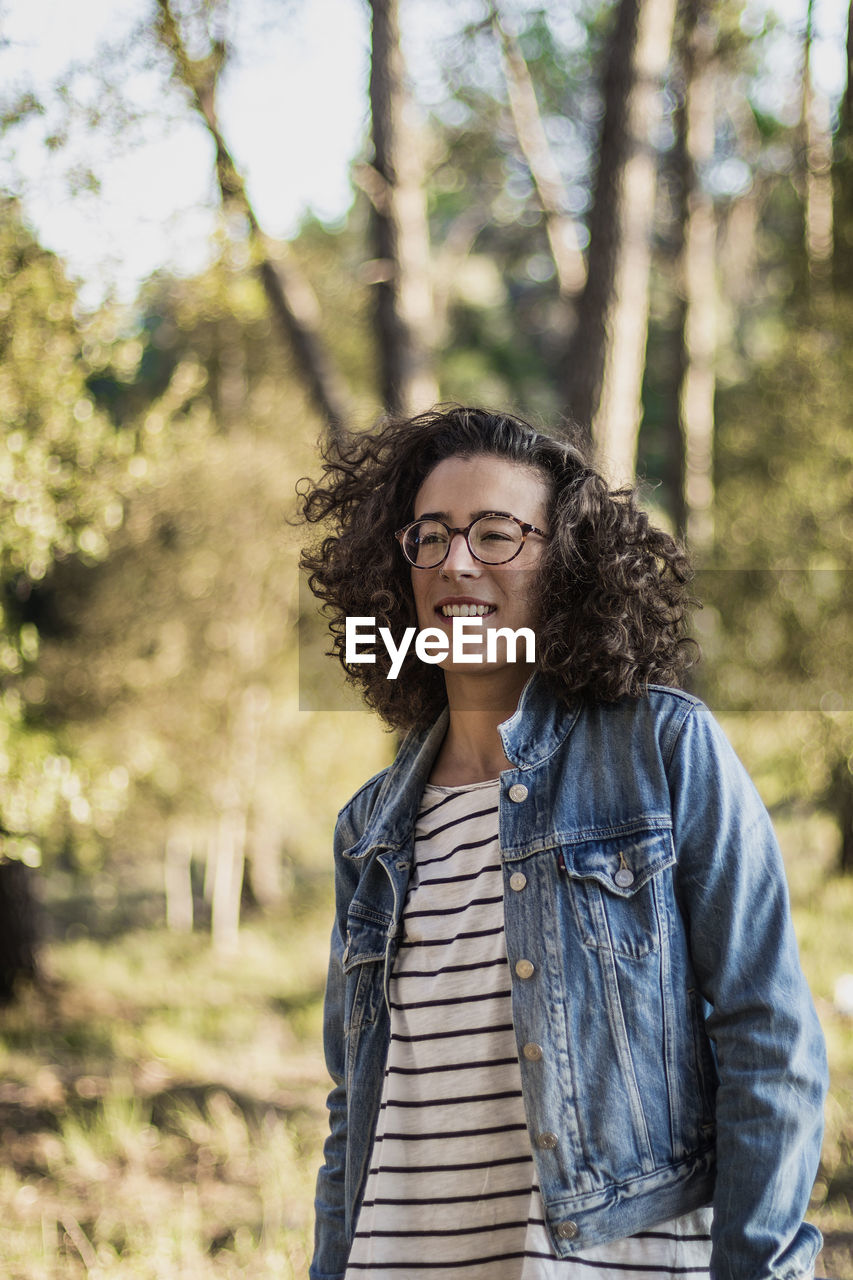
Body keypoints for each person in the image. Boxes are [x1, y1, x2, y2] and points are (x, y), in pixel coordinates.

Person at [299, 405, 828, 1280]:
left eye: (496, 534)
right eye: (428, 535)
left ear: (568, 564)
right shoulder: (369, 831)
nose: (455, 561)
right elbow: (351, 1112)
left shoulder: (662, 751)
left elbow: (767, 1038)